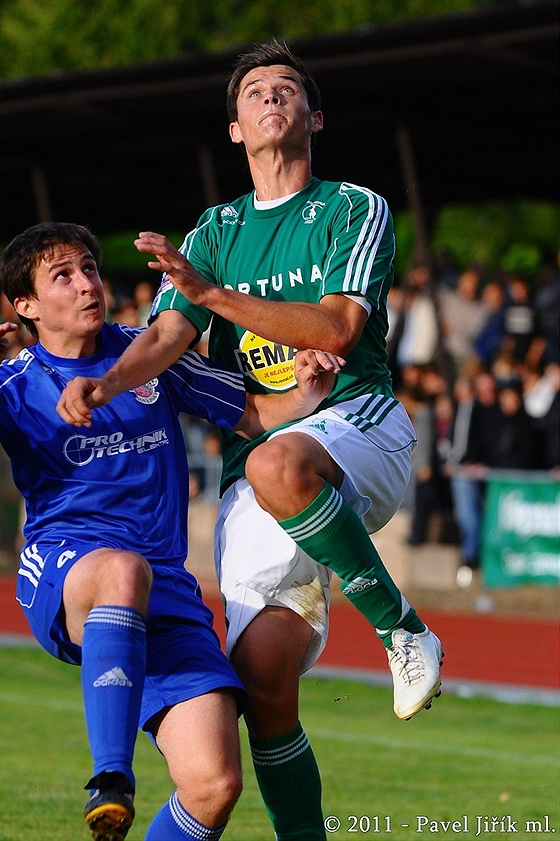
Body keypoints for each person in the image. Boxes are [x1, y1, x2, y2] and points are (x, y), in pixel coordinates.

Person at [58, 39, 444, 841]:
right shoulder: (213, 229)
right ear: (235, 127)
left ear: (313, 116)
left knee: (279, 458)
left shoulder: (352, 207)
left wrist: (216, 296)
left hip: (355, 424)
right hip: (256, 479)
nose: (272, 99)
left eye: (287, 90)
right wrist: (108, 381)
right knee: (261, 680)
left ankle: (402, 627)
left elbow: (338, 325)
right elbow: (169, 331)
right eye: (256, 92)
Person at [0, 222, 342, 841]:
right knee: (120, 569)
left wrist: (305, 395)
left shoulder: (151, 354)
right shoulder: (12, 382)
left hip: (165, 588)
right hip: (65, 568)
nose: (87, 285)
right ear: (25, 306)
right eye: (64, 276)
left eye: (90, 269)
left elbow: (253, 415)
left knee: (214, 785)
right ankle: (111, 780)